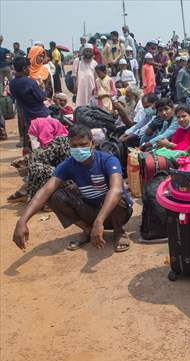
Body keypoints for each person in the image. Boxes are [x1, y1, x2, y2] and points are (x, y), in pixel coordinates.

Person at [12, 124, 133, 253]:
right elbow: (46, 190)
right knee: (55, 196)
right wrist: (22, 220)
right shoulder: (69, 164)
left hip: (116, 213)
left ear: (92, 143)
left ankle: (119, 232)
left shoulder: (107, 159)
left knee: (116, 197)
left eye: (83, 144)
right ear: (69, 144)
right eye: (74, 146)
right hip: (91, 210)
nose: (79, 149)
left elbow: (116, 189)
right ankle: (87, 230)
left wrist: (99, 221)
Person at [9, 57, 50, 148]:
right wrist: (43, 87)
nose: (30, 69)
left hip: (28, 117)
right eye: (28, 67)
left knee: (35, 142)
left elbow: (14, 97)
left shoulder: (12, 83)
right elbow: (42, 97)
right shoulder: (30, 82)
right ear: (24, 68)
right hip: (41, 115)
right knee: (47, 141)